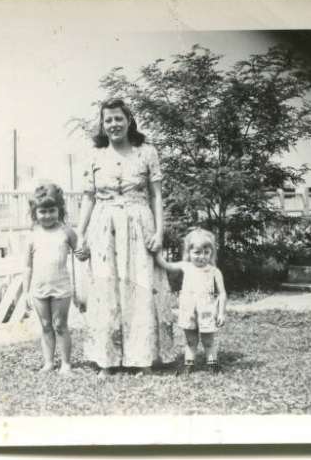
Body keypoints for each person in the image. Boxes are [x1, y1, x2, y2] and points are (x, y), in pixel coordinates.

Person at [75, 98, 174, 378]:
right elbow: (87, 198)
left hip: (139, 224)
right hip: (104, 226)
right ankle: (107, 361)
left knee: (141, 288)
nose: (114, 124)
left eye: (118, 118)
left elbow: (156, 195)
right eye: (108, 120)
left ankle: (142, 359)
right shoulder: (94, 155)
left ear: (129, 120)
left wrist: (159, 231)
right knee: (106, 289)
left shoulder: (146, 152)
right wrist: (81, 234)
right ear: (102, 124)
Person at [154, 229, 227, 374]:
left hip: (207, 310)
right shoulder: (185, 266)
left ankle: (212, 364)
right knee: (190, 340)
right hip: (189, 310)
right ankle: (189, 365)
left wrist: (221, 313)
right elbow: (164, 264)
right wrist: (156, 250)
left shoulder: (214, 271)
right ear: (189, 252)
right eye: (197, 252)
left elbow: (222, 293)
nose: (202, 257)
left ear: (212, 253)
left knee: (208, 340)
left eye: (206, 252)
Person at [23, 184, 79, 375]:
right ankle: (48, 363)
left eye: (52, 211)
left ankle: (66, 363)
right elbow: (27, 266)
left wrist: (85, 250)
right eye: (42, 211)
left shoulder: (67, 232)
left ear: (59, 210)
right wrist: (25, 291)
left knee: (60, 326)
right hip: (39, 288)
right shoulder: (32, 236)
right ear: (35, 213)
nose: (47, 215)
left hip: (61, 287)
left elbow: (80, 255)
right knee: (46, 326)